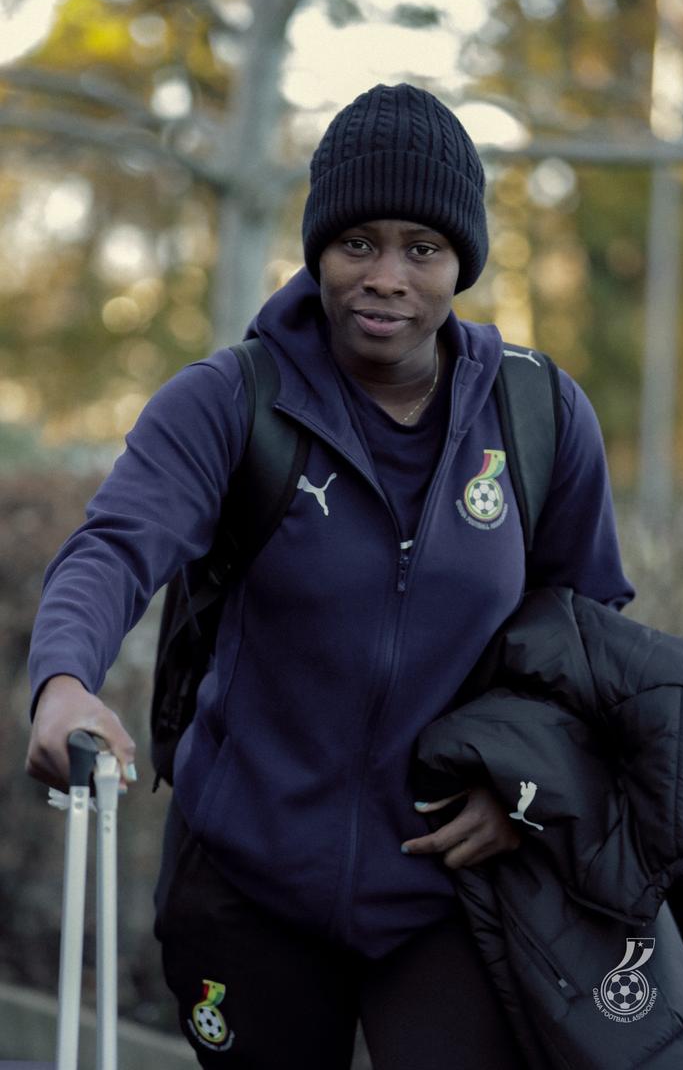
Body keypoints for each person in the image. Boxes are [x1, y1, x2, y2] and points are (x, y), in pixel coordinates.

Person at [26, 83, 633, 1069]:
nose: (386, 277)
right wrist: (61, 685)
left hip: (452, 896)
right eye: (358, 243)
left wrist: (528, 783)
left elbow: (589, 633)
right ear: (317, 249)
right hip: (247, 886)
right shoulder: (230, 400)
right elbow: (114, 546)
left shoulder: (538, 415)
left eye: (421, 250)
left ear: (460, 263)